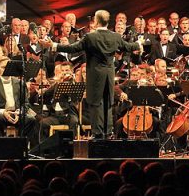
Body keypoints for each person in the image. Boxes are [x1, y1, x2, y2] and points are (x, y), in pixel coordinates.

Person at [47, 10, 141, 139]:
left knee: (95, 103)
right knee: (108, 102)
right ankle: (108, 132)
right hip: (108, 74)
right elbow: (128, 46)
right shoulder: (115, 37)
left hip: (95, 76)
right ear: (108, 22)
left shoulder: (90, 37)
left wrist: (53, 45)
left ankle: (97, 133)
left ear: (96, 21)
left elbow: (73, 48)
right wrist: (138, 44)